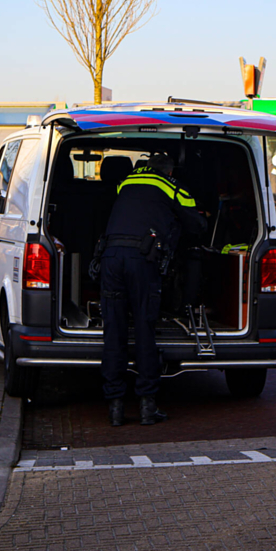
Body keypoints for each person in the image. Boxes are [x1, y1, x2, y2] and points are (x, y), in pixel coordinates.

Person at [97, 153, 207, 426]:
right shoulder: (171, 186)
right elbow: (196, 223)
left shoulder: (125, 183)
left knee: (114, 330)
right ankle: (147, 405)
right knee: (145, 330)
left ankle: (115, 408)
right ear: (170, 171)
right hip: (141, 261)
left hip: (110, 258)